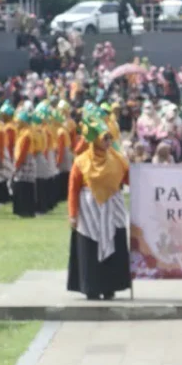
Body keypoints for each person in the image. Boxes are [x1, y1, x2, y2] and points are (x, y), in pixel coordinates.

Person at [67, 115, 132, 301]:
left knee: (114, 242)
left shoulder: (117, 159)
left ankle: (110, 286)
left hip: (113, 207)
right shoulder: (81, 161)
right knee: (90, 246)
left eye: (109, 138)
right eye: (104, 138)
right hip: (89, 211)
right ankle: (92, 287)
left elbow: (129, 179)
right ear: (95, 139)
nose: (108, 141)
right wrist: (72, 214)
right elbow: (73, 188)